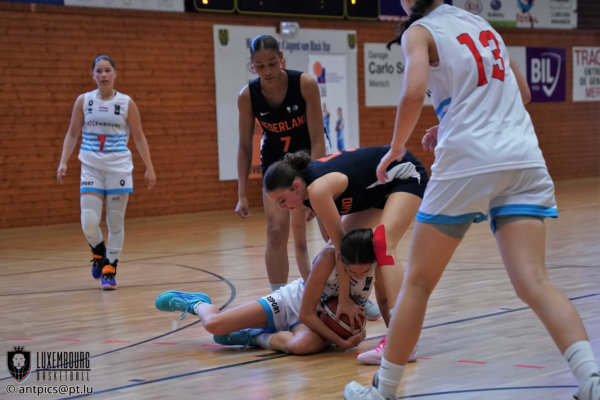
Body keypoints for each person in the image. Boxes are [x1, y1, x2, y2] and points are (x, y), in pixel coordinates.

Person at [344, 2, 600, 400]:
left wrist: (395, 149)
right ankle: (592, 380)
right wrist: (449, 121)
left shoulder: (419, 31)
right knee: (535, 281)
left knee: (418, 283)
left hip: (469, 160)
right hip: (523, 158)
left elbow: (413, 93)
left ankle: (383, 392)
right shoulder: (481, 24)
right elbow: (524, 93)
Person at [263, 145, 428, 363]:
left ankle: (404, 343)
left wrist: (344, 300)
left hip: (404, 173)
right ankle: (397, 337)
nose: (282, 208)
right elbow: (335, 249)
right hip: (377, 189)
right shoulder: (306, 192)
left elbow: (343, 251)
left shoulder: (317, 191)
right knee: (334, 249)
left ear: (295, 186)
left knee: (383, 245)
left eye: (282, 200)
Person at [155, 229, 390, 354]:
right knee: (214, 326)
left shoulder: (378, 266)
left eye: (364, 272)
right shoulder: (328, 258)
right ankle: (197, 302)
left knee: (302, 346)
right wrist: (341, 341)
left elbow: (385, 299)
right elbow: (306, 314)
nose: (359, 276)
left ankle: (253, 336)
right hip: (293, 304)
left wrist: (392, 335)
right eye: (352, 272)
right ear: (342, 260)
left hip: (313, 324)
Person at [57, 55, 156, 290]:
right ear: (93, 75)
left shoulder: (126, 103)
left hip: (118, 168)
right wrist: (63, 161)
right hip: (91, 166)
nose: (103, 75)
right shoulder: (84, 101)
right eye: (99, 71)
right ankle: (98, 250)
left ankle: (110, 268)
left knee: (115, 221)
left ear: (115, 73)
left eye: (107, 70)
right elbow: (72, 134)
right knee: (89, 221)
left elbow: (139, 137)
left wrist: (149, 167)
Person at [235, 34, 326, 290]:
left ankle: (347, 292)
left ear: (282, 58)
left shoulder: (305, 84)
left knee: (329, 228)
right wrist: (242, 194)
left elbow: (318, 138)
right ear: (252, 65)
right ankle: (278, 298)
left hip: (311, 156)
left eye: (272, 64)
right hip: (276, 161)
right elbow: (244, 147)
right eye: (260, 66)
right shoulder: (247, 96)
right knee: (275, 231)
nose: (267, 71)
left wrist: (314, 188)